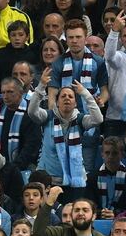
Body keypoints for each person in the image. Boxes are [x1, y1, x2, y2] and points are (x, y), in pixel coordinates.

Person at [29, 68, 104, 201]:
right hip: (49, 180)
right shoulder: (48, 117)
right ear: (57, 102)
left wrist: (85, 94)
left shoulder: (80, 119)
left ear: (75, 103)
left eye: (70, 96)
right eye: (63, 96)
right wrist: (41, 86)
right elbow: (32, 112)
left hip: (75, 181)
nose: (67, 99)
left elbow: (98, 119)